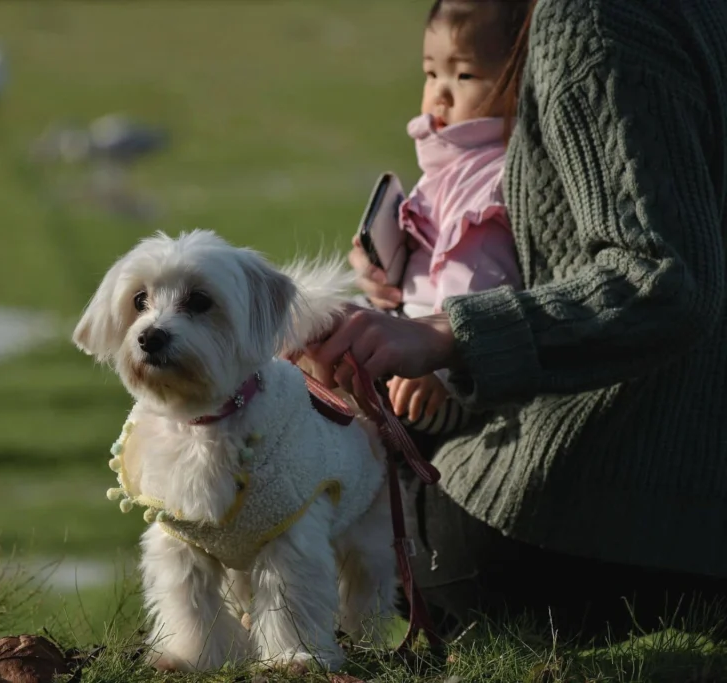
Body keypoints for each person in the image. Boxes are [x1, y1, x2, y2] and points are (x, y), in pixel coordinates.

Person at [310, 0, 727, 639]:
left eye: (466, 76)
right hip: (679, 499)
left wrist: (441, 334)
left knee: (333, 466)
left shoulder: (590, 18)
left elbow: (664, 281)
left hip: (603, 509)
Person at [358, 0, 529, 437]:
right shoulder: (457, 160)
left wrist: (442, 369)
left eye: (464, 74)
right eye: (431, 72)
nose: (440, 92)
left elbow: (476, 273)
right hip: (410, 336)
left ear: (519, 80)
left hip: (435, 383)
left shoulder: (487, 175)